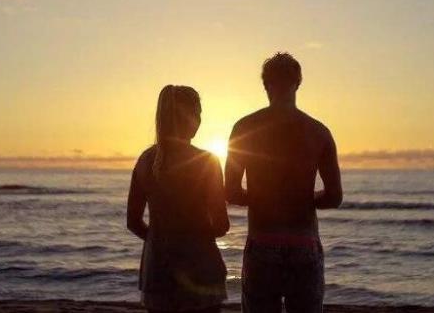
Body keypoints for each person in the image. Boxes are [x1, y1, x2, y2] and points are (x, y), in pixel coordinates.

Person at [225, 52, 342, 313]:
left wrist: (262, 199)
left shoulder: (245, 128)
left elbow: (230, 191)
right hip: (304, 243)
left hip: (262, 241)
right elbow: (335, 196)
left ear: (266, 84)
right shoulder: (319, 132)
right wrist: (304, 199)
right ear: (298, 83)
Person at [127, 85, 229, 313]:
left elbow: (132, 222)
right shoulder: (206, 161)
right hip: (201, 272)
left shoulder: (145, 161)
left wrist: (160, 239)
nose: (200, 120)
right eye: (198, 113)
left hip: (157, 273)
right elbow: (222, 225)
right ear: (190, 118)